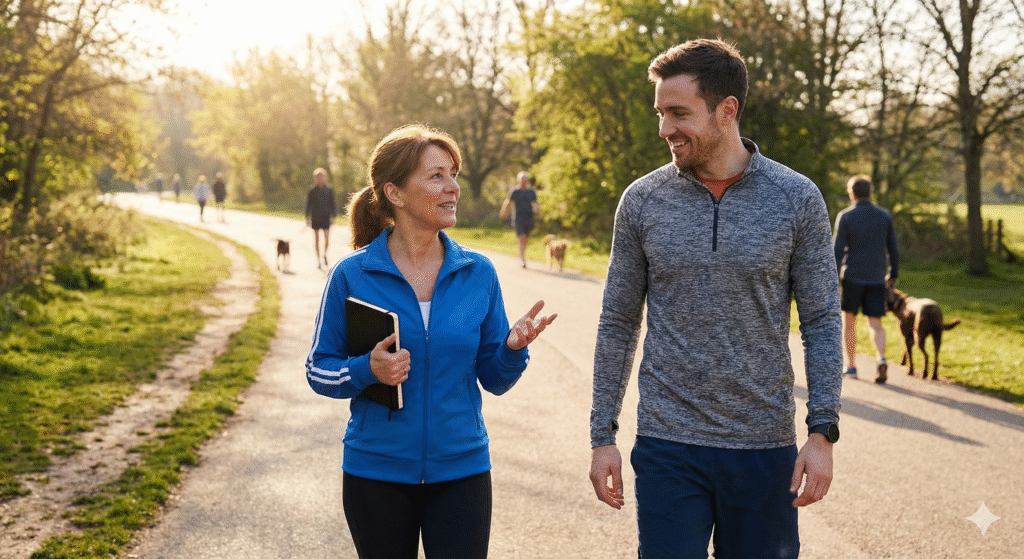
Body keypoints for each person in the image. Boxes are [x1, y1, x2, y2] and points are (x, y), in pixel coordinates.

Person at [588, 39, 843, 559]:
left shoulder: (797, 198)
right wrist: (602, 434)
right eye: (661, 113)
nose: (664, 129)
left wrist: (822, 434)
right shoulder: (642, 200)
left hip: (764, 448)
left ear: (727, 110)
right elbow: (618, 321)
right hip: (667, 445)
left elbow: (821, 320)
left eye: (679, 113)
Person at [305, 124, 556, 559]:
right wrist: (367, 369)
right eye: (437, 176)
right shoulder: (352, 275)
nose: (453, 187)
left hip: (462, 471)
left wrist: (512, 351)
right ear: (396, 194)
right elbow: (318, 368)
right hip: (375, 472)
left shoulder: (478, 273)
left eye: (453, 174)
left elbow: (494, 379)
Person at [833, 175, 899, 383]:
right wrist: (893, 273)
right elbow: (894, 249)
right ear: (870, 192)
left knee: (849, 323)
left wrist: (833, 279)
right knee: (876, 324)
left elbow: (836, 250)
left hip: (852, 277)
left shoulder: (846, 216)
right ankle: (881, 358)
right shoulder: (884, 216)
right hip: (877, 277)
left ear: (852, 193)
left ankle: (851, 366)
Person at [499, 171, 539, 267]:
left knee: (525, 239)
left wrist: (537, 210)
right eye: (521, 181)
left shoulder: (531, 192)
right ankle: (523, 259)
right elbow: (508, 202)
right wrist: (504, 212)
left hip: (529, 218)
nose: (523, 183)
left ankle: (522, 254)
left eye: (524, 181)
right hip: (518, 218)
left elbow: (535, 204)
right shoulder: (515, 191)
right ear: (518, 181)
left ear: (527, 181)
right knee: (522, 237)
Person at [305, 167, 336, 269]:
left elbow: (332, 203)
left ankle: (324, 255)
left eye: (321, 176)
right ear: (315, 178)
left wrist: (334, 216)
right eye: (318, 177)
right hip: (315, 217)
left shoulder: (329, 189)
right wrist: (307, 217)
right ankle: (318, 260)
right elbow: (308, 204)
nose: (320, 178)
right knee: (317, 239)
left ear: (324, 177)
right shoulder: (312, 190)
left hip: (326, 216)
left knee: (327, 238)